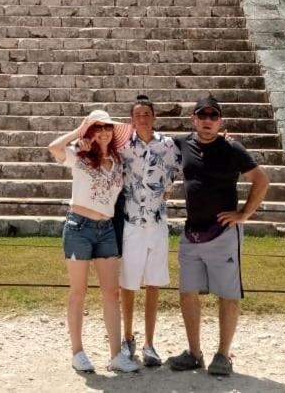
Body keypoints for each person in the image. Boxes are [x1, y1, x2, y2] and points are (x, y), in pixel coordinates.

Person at [168, 95, 270, 377]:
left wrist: (244, 214)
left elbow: (261, 180)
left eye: (213, 117)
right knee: (187, 293)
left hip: (223, 233)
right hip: (192, 233)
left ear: (220, 121)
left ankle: (223, 354)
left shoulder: (232, 148)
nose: (208, 121)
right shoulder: (181, 143)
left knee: (227, 295)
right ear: (194, 119)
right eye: (203, 116)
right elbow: (146, 138)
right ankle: (194, 352)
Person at [47, 109, 141, 374]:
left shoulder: (118, 160)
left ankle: (115, 355)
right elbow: (53, 147)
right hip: (79, 226)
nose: (104, 132)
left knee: (112, 292)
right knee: (79, 292)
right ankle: (77, 351)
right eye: (97, 127)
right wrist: (78, 133)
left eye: (107, 127)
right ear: (90, 131)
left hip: (106, 228)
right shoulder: (79, 155)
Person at [118, 94, 181, 368]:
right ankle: (128, 337)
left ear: (154, 117)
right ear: (131, 119)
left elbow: (181, 167)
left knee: (153, 283)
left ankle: (150, 343)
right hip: (131, 223)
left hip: (156, 223)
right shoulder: (121, 146)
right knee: (128, 283)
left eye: (147, 113)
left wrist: (168, 188)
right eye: (137, 114)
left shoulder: (168, 145)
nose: (142, 118)